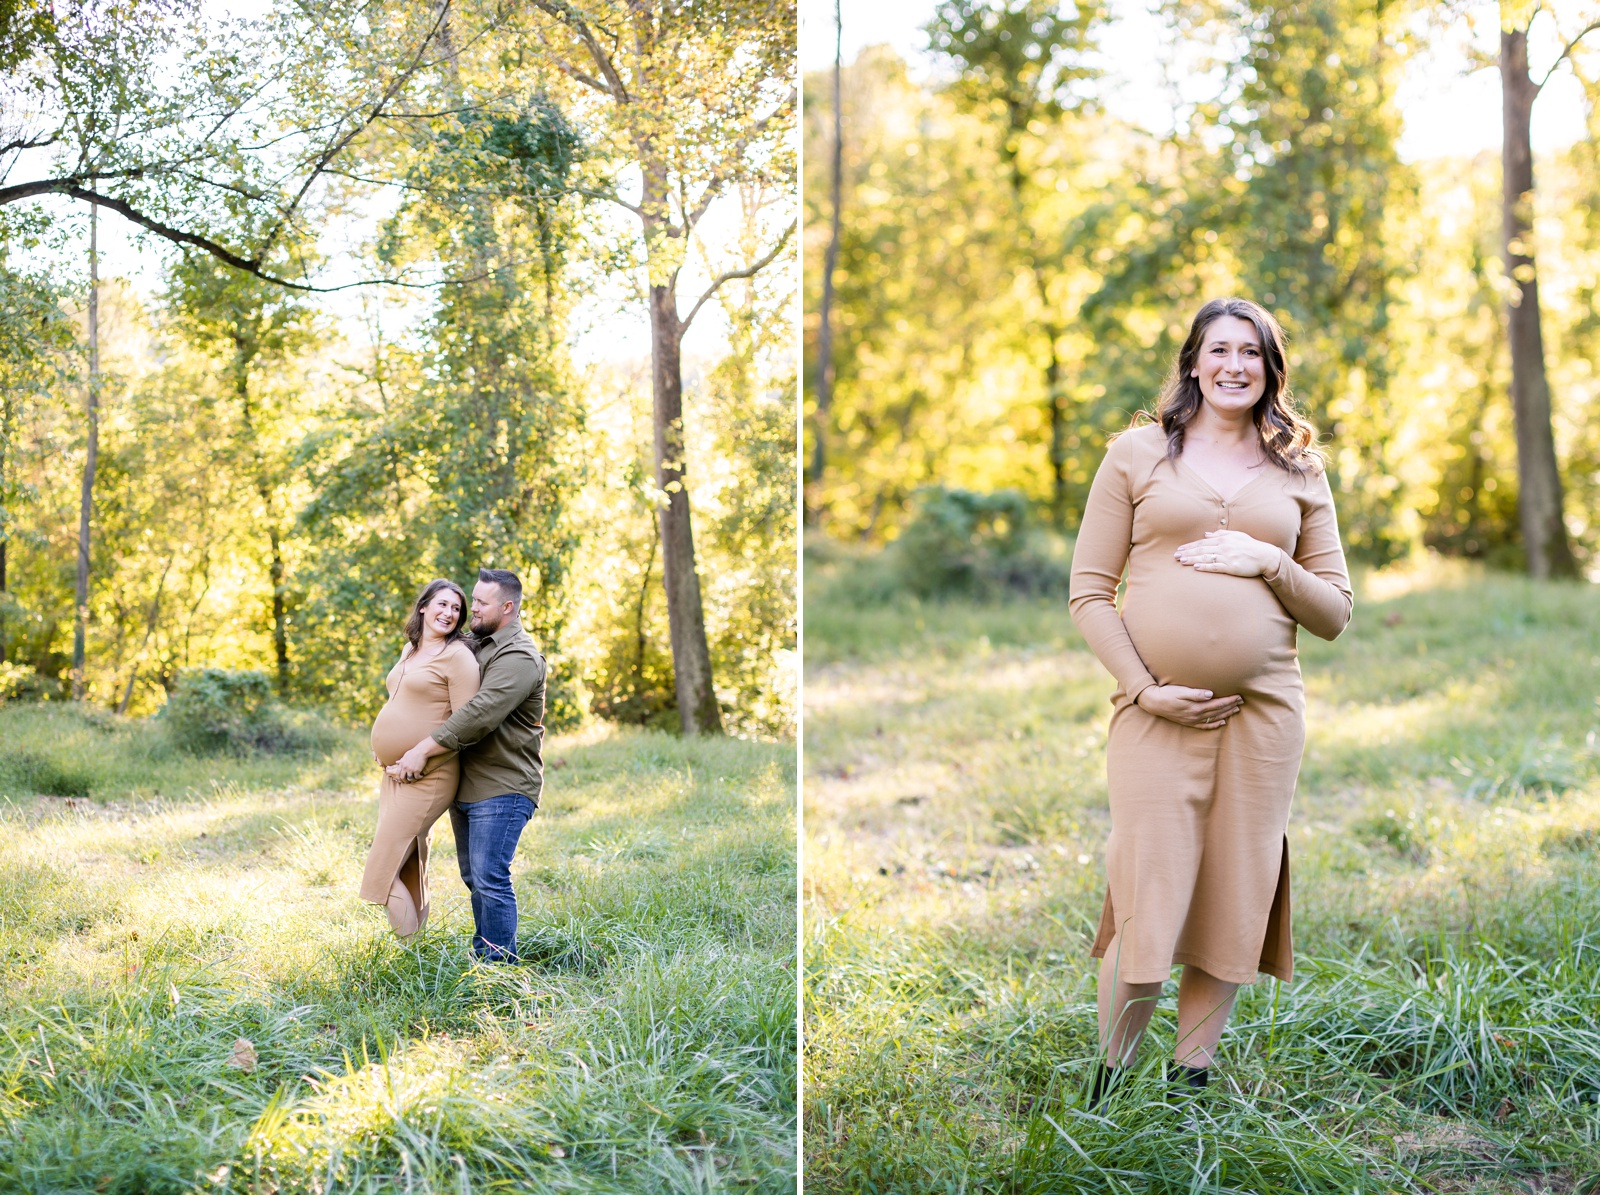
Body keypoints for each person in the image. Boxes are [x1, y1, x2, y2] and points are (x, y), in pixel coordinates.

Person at [1067, 296, 1352, 1102]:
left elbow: (1333, 611)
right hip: (1153, 719)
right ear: (1193, 362)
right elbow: (1089, 592)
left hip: (1261, 721)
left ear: (1271, 370)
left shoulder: (1299, 469)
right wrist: (1145, 690)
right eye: (1219, 349)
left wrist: (1268, 559)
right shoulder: (1136, 453)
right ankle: (1110, 1084)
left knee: (1233, 887)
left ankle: (1191, 1079)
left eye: (1252, 352)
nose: (1235, 365)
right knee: (1148, 886)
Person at [389, 568, 547, 962]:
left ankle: (498, 967)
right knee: (475, 878)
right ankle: (486, 958)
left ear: (507, 607)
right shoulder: (477, 644)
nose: (471, 608)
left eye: (480, 603)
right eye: (471, 600)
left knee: (490, 878)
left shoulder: (520, 656)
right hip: (467, 782)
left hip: (503, 785)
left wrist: (422, 749)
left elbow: (479, 713)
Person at [360, 578, 480, 938]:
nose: (449, 613)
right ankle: (419, 955)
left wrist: (416, 756)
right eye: (442, 604)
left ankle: (408, 956)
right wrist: (382, 744)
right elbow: (400, 701)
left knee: (379, 878)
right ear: (424, 606)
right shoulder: (410, 650)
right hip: (395, 775)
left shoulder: (458, 657)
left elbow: (467, 725)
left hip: (428, 776)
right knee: (409, 865)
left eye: (456, 609)